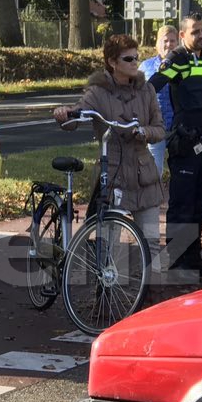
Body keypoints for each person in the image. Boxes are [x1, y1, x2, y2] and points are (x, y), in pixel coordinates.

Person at [53, 34, 165, 261]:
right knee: (108, 247)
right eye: (128, 59)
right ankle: (103, 293)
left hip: (144, 176)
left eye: (136, 57)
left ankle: (155, 292)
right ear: (112, 63)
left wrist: (144, 132)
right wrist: (64, 114)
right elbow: (78, 114)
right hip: (113, 175)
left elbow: (160, 129)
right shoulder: (97, 92)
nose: (135, 62)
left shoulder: (147, 90)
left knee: (152, 243)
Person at [148, 15, 202, 276]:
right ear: (182, 34)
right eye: (195, 31)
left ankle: (193, 254)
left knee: (200, 202)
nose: (201, 35)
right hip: (185, 142)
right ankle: (177, 260)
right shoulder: (178, 58)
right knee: (183, 202)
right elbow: (154, 84)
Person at [139, 25, 179, 174]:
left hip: (178, 128)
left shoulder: (182, 65)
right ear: (157, 44)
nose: (169, 44)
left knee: (180, 172)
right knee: (155, 172)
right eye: (165, 40)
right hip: (156, 127)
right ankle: (155, 198)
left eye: (173, 41)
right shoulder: (145, 67)